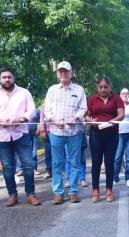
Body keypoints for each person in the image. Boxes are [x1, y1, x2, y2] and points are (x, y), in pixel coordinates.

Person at [0, 67, 41, 207]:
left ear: (13, 78)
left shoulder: (24, 92)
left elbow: (33, 110)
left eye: (9, 77)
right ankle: (12, 195)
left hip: (21, 134)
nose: (7, 79)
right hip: (2, 136)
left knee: (27, 165)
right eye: (4, 77)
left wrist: (22, 119)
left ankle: (30, 194)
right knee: (8, 167)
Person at [44, 61, 87, 204]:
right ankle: (58, 193)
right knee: (57, 163)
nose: (63, 74)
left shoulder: (79, 89)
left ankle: (73, 191)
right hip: (56, 132)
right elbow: (47, 111)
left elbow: (83, 108)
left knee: (74, 162)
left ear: (71, 73)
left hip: (75, 132)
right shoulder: (52, 90)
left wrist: (76, 118)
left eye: (66, 71)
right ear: (57, 74)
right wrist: (55, 120)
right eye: (60, 71)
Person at [85, 75, 124, 202]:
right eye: (100, 87)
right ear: (97, 87)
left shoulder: (117, 98)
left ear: (110, 87)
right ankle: (95, 190)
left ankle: (109, 189)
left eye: (105, 87)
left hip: (112, 134)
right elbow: (86, 116)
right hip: (96, 134)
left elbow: (121, 114)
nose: (103, 89)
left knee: (109, 162)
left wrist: (115, 120)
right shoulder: (91, 99)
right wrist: (91, 121)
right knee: (96, 162)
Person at [113, 88, 129, 188]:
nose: (125, 95)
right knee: (117, 157)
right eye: (123, 93)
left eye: (127, 93)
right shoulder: (116, 105)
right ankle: (114, 178)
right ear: (120, 95)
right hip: (119, 134)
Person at [16, 107, 41, 177]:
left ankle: (34, 168)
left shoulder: (36, 110)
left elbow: (40, 121)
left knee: (34, 152)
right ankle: (21, 169)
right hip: (22, 134)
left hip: (34, 134)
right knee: (21, 152)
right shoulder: (20, 109)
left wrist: (39, 129)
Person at [39, 104, 52, 179]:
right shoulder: (45, 105)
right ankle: (48, 170)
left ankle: (60, 170)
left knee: (59, 152)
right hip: (48, 131)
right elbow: (41, 118)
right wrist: (42, 130)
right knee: (48, 151)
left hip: (60, 131)